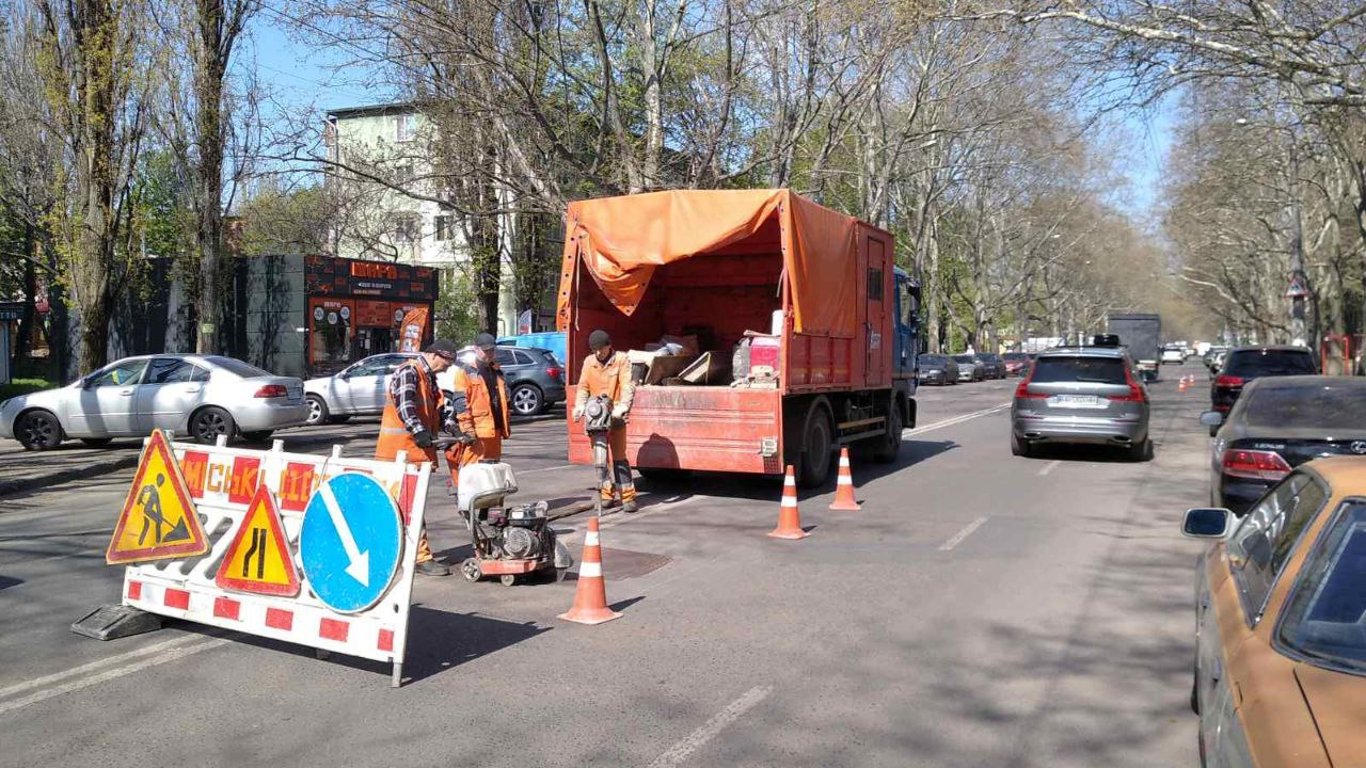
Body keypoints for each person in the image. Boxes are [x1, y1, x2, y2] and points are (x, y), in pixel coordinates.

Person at [376, 339, 459, 576]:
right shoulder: (408, 372)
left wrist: (451, 426)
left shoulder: (428, 378)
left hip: (413, 453)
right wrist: (419, 431)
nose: (447, 368)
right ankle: (419, 558)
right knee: (408, 507)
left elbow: (438, 408)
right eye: (446, 362)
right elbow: (406, 406)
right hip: (399, 454)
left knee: (409, 507)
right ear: (434, 356)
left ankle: (398, 554)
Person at [572, 329, 637, 513]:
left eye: (601, 349)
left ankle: (628, 496)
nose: (598, 353)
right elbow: (583, 387)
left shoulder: (621, 360)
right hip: (596, 417)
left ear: (609, 346)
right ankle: (607, 493)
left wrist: (623, 406)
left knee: (619, 457)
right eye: (595, 349)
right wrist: (580, 406)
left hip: (615, 415)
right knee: (600, 459)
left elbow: (627, 385)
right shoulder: (589, 362)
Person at [445, 333, 512, 488]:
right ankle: (468, 504)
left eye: (492, 350)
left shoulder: (497, 371)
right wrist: (467, 430)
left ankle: (489, 507)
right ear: (476, 349)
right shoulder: (465, 372)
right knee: (472, 471)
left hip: (495, 430)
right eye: (486, 350)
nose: (489, 353)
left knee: (493, 473)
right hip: (477, 432)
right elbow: (461, 403)